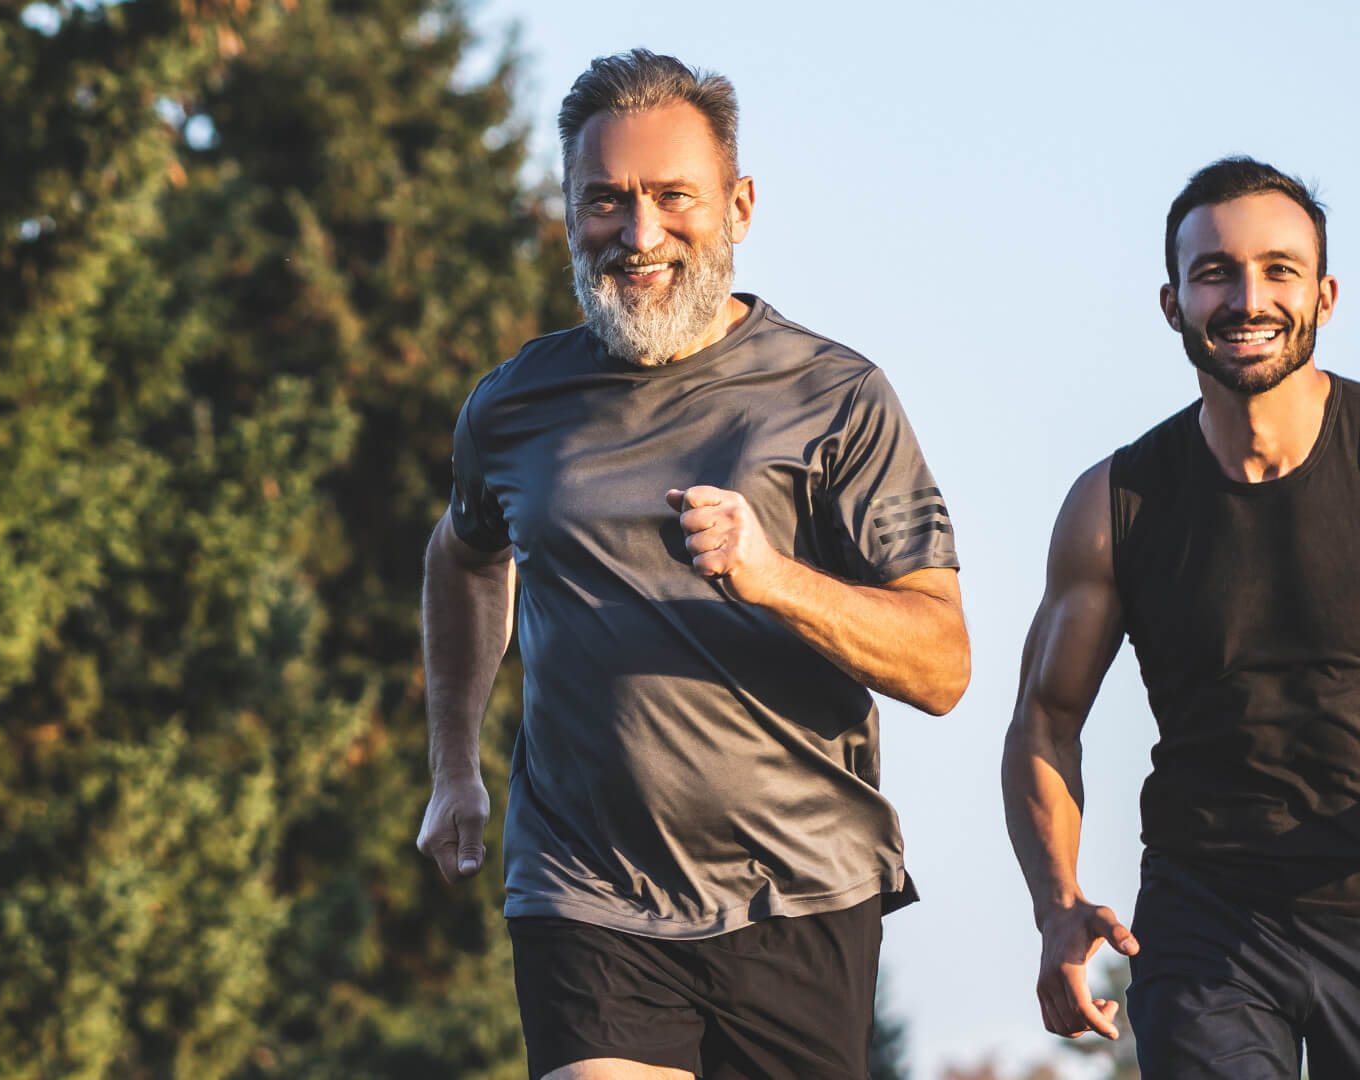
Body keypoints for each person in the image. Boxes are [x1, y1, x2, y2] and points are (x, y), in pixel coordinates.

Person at [415, 49, 969, 1080]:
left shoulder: (837, 396)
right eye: (606, 202)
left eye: (675, 197)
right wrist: (455, 771)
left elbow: (941, 664)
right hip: (587, 894)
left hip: (802, 895)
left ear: (739, 204)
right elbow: (462, 559)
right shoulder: (513, 407)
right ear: (569, 212)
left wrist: (772, 576)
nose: (640, 234)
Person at [1001, 157, 1360, 1079]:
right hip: (1206, 916)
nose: (1248, 298)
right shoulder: (1115, 505)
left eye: (1278, 269)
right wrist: (1057, 904)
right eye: (1214, 273)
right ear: (1171, 303)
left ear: (1325, 294)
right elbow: (1046, 716)